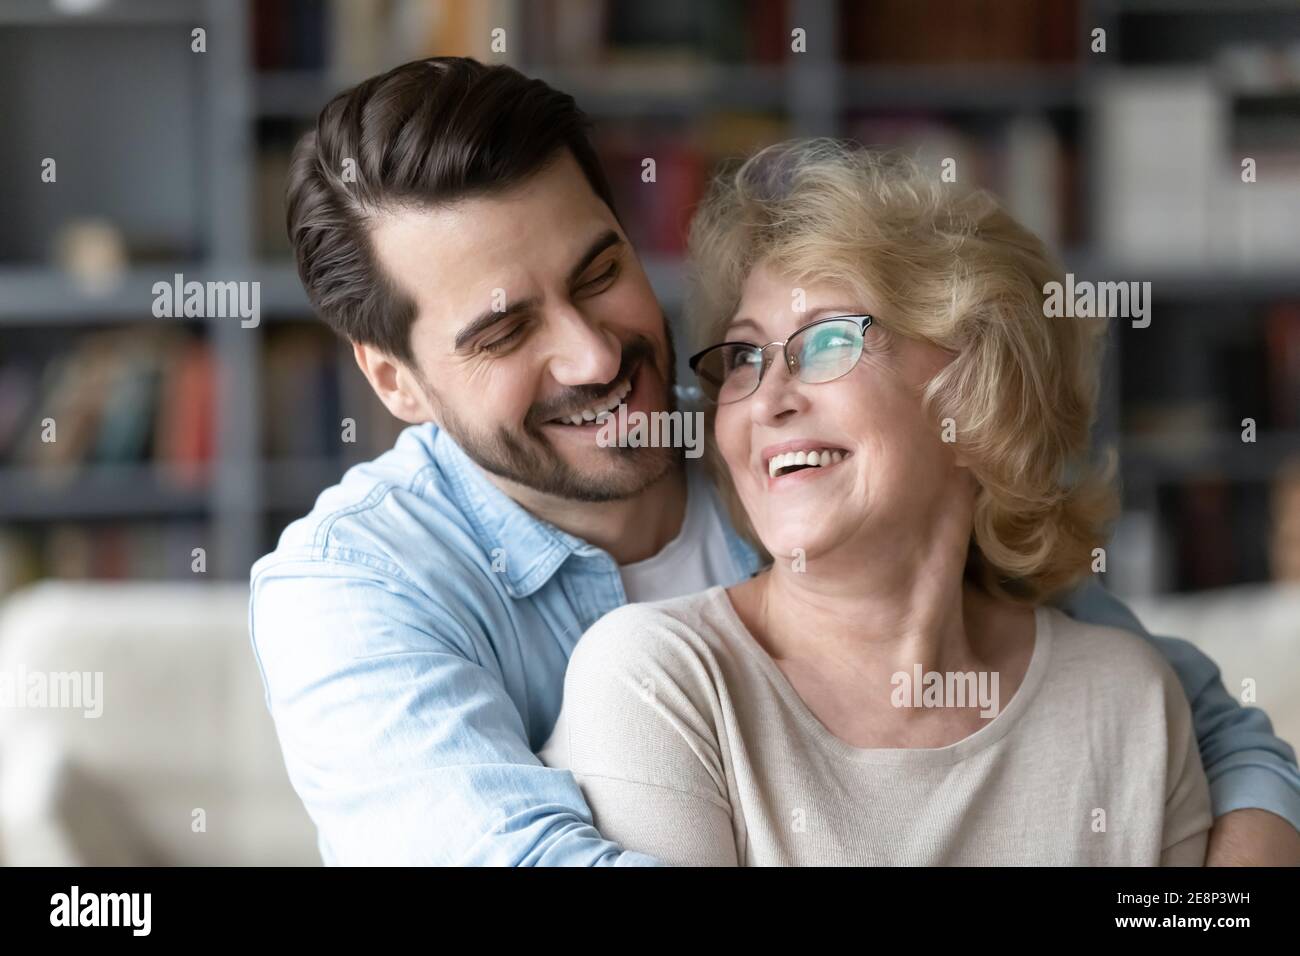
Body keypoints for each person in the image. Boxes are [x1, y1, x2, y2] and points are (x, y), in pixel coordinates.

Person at [249, 57, 1300, 865]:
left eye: (599, 269)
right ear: (396, 382)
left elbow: (1197, 722)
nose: (595, 352)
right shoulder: (354, 589)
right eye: (504, 330)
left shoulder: (773, 441)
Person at [539, 140, 1211, 864]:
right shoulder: (660, 682)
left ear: (976, 385)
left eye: (827, 341)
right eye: (743, 357)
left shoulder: (1127, 699)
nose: (766, 400)